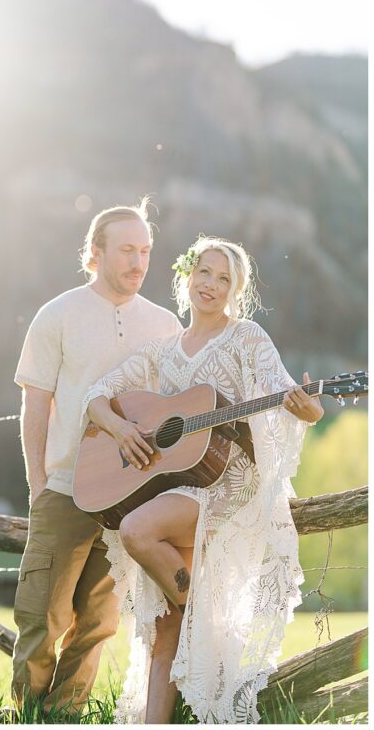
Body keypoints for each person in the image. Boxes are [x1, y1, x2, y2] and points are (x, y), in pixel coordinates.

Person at [84, 236, 320, 723]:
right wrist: (122, 428)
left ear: (236, 291)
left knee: (136, 531)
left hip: (226, 486)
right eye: (204, 273)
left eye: (223, 279)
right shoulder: (163, 350)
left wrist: (310, 408)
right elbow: (98, 394)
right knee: (165, 631)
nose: (210, 285)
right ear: (187, 276)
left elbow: (283, 392)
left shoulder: (246, 336)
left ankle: (201, 613)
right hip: (176, 485)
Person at [11, 198, 182, 714]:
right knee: (42, 616)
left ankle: (66, 716)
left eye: (146, 251)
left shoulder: (165, 324)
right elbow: (34, 404)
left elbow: (172, 406)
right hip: (64, 490)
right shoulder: (57, 314)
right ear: (95, 252)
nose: (138, 262)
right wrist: (39, 485)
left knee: (98, 622)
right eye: (127, 250)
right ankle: (23, 715)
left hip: (129, 497)